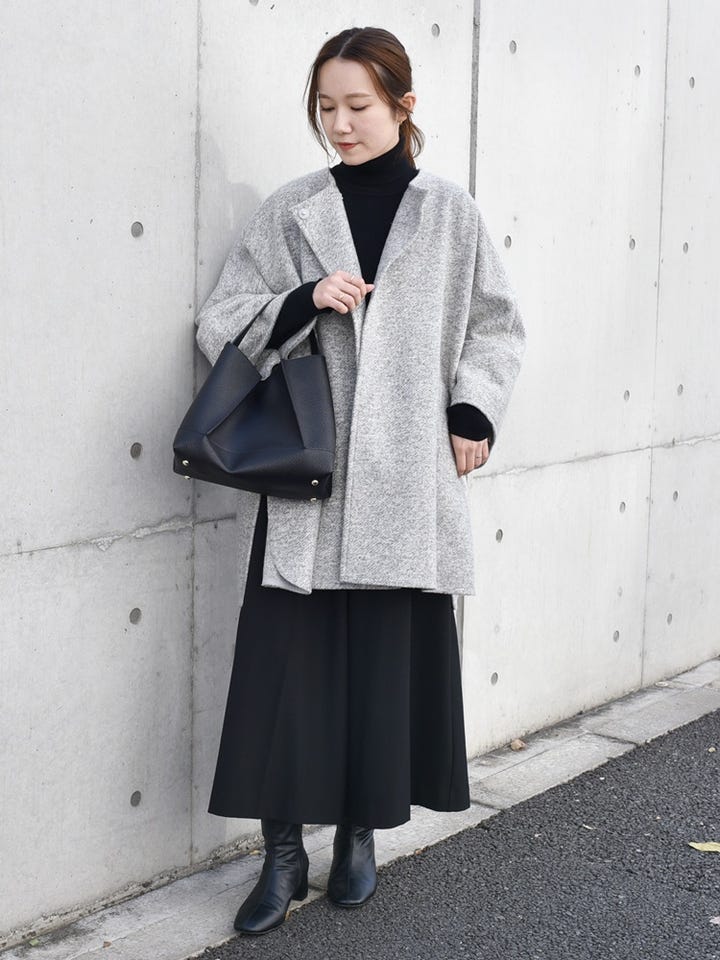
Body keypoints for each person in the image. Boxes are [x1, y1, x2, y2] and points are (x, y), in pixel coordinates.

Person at [193, 26, 526, 937]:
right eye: (326, 108)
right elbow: (220, 322)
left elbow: (497, 325)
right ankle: (280, 854)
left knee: (381, 666)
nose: (339, 124)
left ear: (402, 106)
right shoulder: (293, 209)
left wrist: (473, 411)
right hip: (308, 478)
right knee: (283, 672)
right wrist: (303, 301)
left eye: (358, 106)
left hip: (404, 479)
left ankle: (358, 836)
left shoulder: (449, 213)